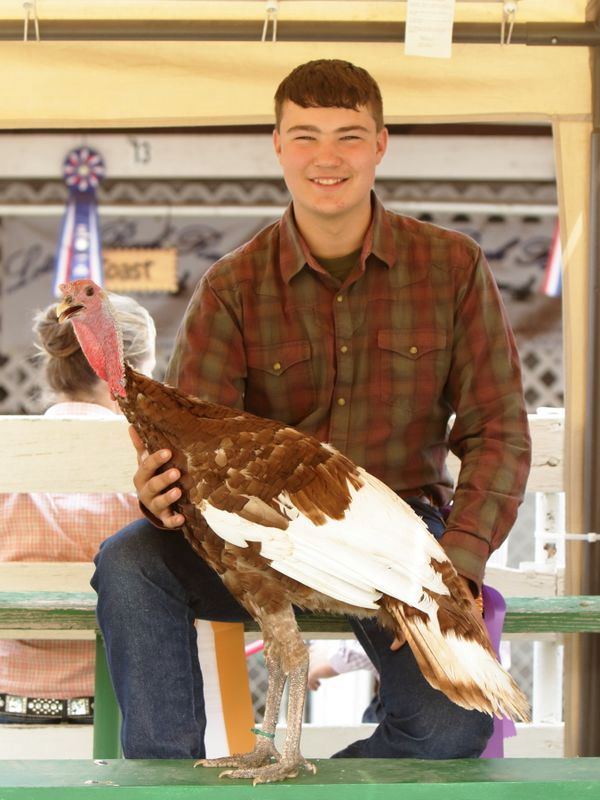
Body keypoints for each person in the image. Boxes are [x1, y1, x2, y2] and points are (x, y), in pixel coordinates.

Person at [92, 59, 531, 760]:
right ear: (277, 144)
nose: (326, 157)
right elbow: (191, 438)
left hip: (396, 538)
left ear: (381, 143)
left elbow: (500, 430)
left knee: (452, 727)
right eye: (305, 135)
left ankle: (299, 783)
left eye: (348, 136)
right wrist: (158, 494)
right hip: (261, 537)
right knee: (130, 561)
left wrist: (460, 561)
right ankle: (168, 777)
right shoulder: (231, 286)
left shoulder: (452, 268)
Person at [0, 294, 155, 725]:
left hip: (10, 705)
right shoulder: (152, 466)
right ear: (132, 371)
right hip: (125, 712)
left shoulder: (8, 460)